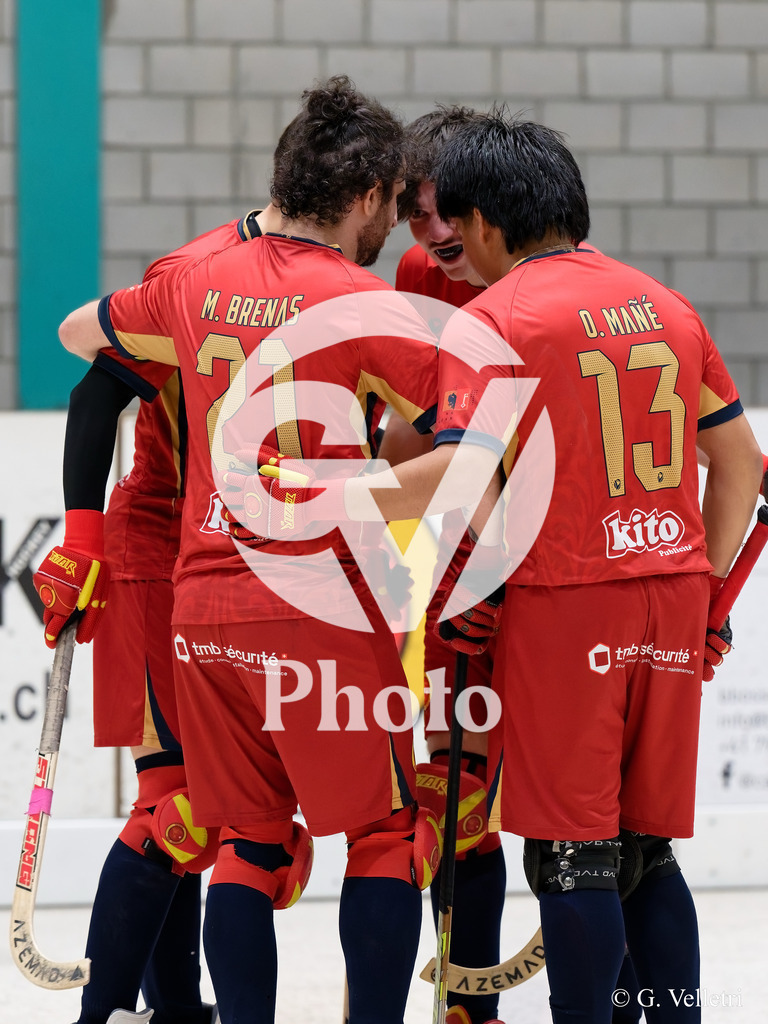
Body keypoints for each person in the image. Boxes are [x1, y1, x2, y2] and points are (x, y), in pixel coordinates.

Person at [310, 110, 762, 1022]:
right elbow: (743, 467)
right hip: (672, 598)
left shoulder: (500, 316)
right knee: (647, 850)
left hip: (569, 606)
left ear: (482, 220)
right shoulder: (664, 302)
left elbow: (463, 468)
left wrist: (324, 498)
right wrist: (707, 601)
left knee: (572, 855)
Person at [56, 75, 443, 1024]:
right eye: (392, 203)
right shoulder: (360, 298)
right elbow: (470, 429)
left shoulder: (190, 279)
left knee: (241, 835)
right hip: (301, 593)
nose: (395, 223)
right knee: (389, 832)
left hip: (204, 598)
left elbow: (78, 338)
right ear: (363, 197)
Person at [34, 206, 284, 1024]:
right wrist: (80, 537)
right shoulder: (197, 275)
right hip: (158, 553)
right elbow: (93, 391)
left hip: (244, 561)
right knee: (175, 808)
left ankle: (178, 1009)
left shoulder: (332, 280)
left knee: (207, 806)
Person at [380, 105, 506, 1024]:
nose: (431, 233)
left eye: (444, 210)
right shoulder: (420, 270)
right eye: (417, 212)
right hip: (455, 548)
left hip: (544, 551)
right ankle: (469, 1002)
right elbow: (410, 433)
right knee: (451, 791)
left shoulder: (534, 259)